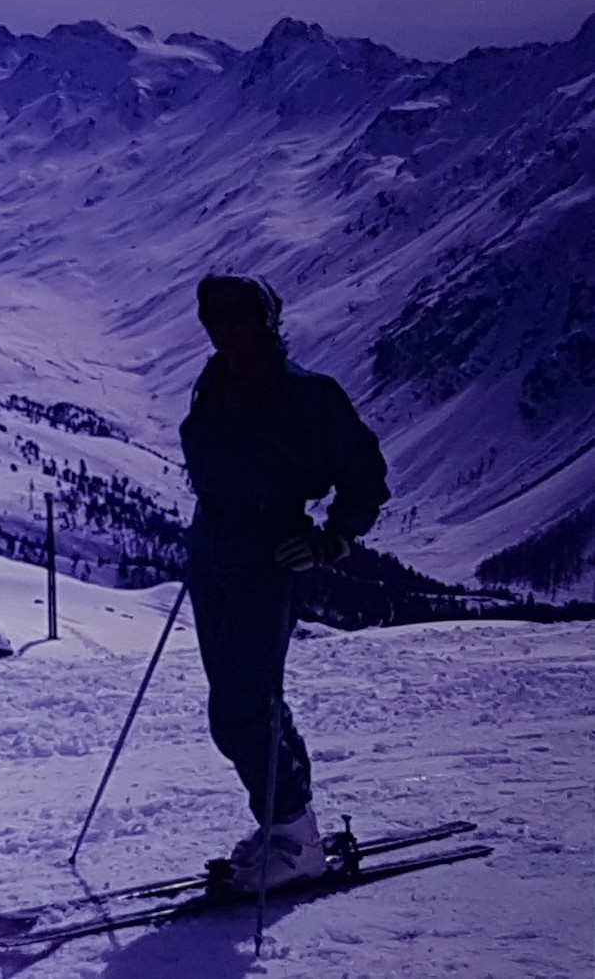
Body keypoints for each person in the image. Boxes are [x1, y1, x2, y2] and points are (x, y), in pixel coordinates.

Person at [178, 273, 390, 892]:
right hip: (213, 557)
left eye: (241, 316)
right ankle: (288, 827)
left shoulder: (308, 396)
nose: (225, 328)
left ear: (269, 320)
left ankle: (295, 838)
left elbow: (365, 476)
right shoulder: (215, 381)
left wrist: (331, 540)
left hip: (264, 562)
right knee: (252, 698)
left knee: (239, 707)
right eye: (214, 316)